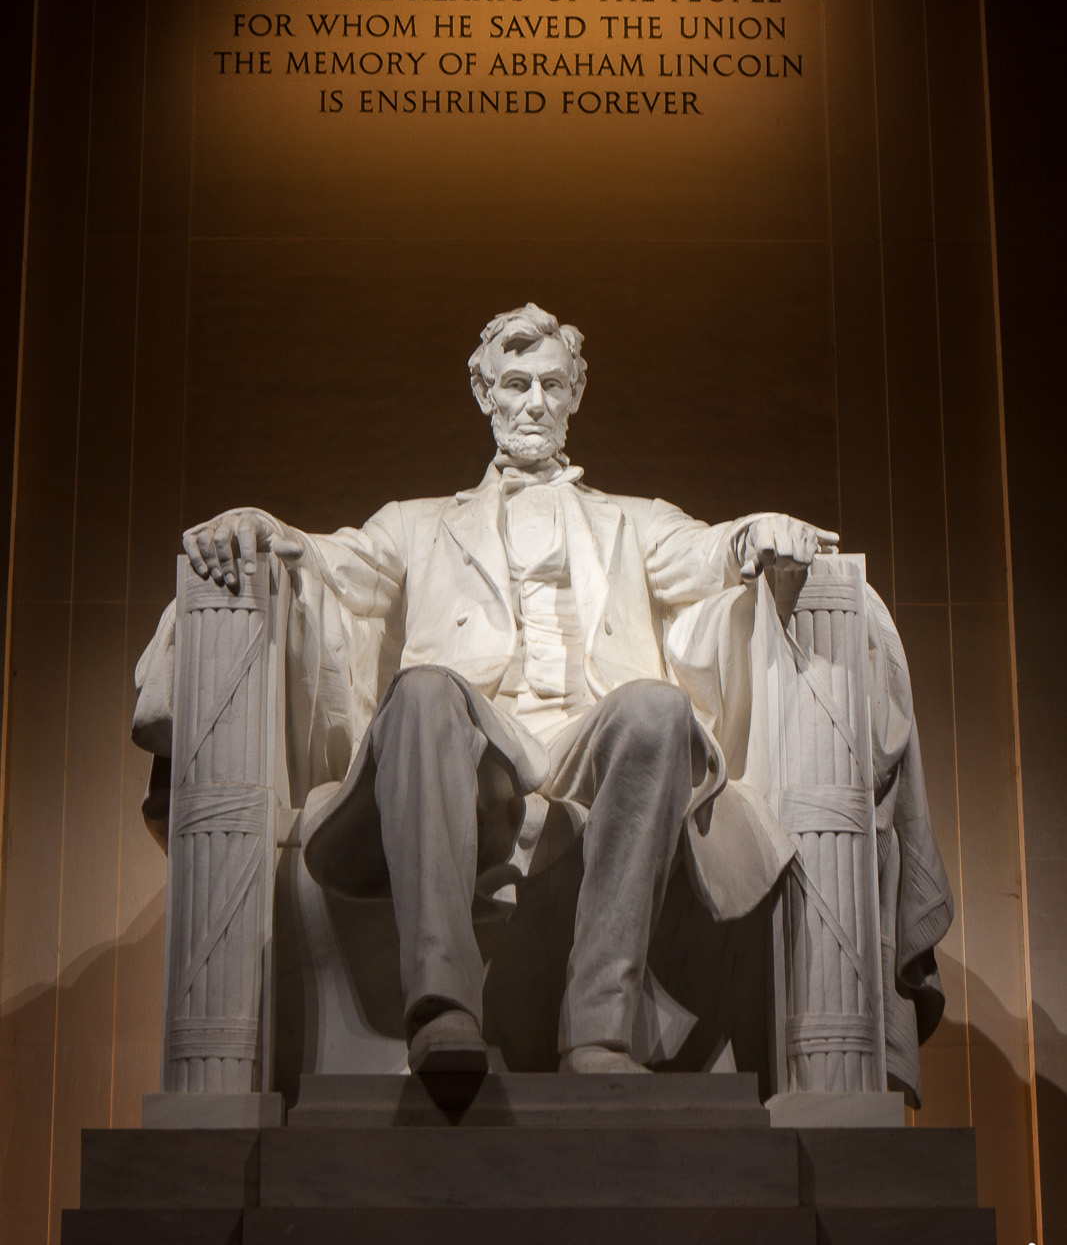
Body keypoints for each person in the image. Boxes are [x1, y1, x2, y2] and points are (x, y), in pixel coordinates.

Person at [171, 303, 951, 1086]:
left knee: (656, 706)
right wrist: (263, 527)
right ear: (485, 396)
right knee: (421, 692)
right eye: (516, 384)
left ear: (574, 395)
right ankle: (440, 1012)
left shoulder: (635, 521)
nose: (534, 402)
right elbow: (333, 562)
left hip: (591, 748)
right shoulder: (414, 524)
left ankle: (598, 1033)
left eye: (551, 384)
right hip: (470, 757)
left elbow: (705, 552)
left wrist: (754, 531)